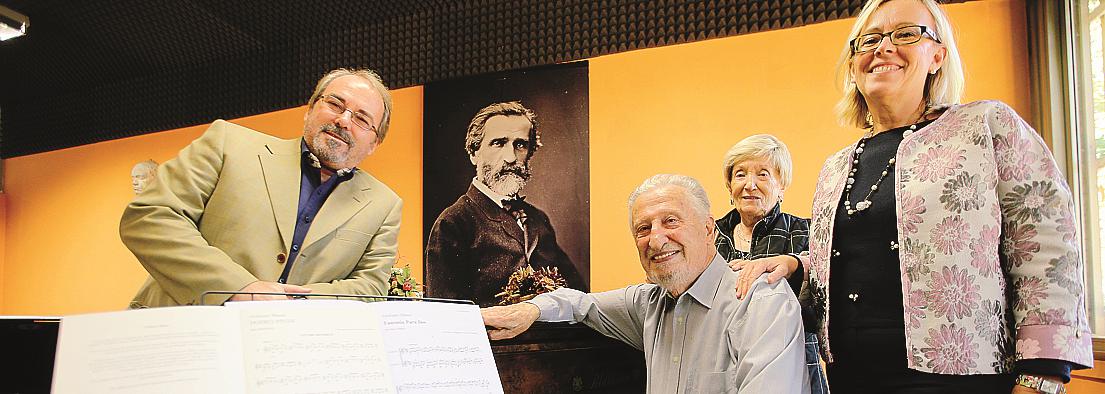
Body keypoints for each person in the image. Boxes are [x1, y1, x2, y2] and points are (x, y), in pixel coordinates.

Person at [805, 0, 1093, 391]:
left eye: (906, 34)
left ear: (937, 56)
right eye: (869, 39)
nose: (883, 47)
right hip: (850, 378)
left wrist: (1042, 376)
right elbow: (848, 262)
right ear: (854, 63)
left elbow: (1045, 244)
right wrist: (796, 265)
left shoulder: (986, 126)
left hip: (962, 379)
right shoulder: (835, 167)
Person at [482, 174, 809, 393]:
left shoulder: (762, 300)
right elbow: (580, 303)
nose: (656, 240)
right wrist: (529, 310)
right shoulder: (647, 303)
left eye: (671, 221)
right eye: (643, 229)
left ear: (709, 230)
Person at [121, 68, 402, 308]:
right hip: (180, 333)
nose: (343, 120)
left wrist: (293, 305)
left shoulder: (384, 205)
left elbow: (369, 287)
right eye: (335, 105)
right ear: (310, 109)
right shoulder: (228, 142)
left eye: (362, 119)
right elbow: (151, 216)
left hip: (285, 353)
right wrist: (238, 288)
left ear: (375, 143)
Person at [425, 101, 585, 306]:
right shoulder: (453, 223)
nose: (511, 157)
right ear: (474, 153)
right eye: (499, 143)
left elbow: (578, 294)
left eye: (520, 144)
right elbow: (448, 317)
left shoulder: (538, 219)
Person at [714, 134, 827, 394]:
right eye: (740, 174)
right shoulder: (710, 238)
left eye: (763, 175)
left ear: (782, 185)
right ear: (729, 186)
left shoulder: (806, 232)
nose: (749, 185)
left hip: (792, 369)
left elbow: (823, 309)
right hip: (721, 370)